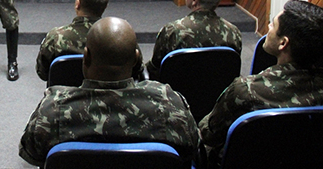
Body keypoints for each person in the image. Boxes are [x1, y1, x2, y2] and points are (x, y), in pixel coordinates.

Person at [19, 17, 198, 167]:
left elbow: (31, 153)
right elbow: (194, 149)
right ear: (137, 59)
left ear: (86, 56)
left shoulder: (53, 109)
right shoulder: (170, 106)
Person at [199, 0, 323, 168]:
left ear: (283, 43)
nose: (269, 27)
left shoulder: (245, 91)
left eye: (273, 24)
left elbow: (208, 133)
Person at [146, 0, 242, 80]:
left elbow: (154, 69)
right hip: (219, 95)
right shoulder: (233, 33)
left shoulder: (172, 31)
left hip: (177, 95)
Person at [35, 0, 110, 81]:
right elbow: (136, 70)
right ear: (105, 6)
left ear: (77, 4)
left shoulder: (56, 38)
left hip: (67, 96)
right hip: (108, 96)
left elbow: (43, 73)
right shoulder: (120, 38)